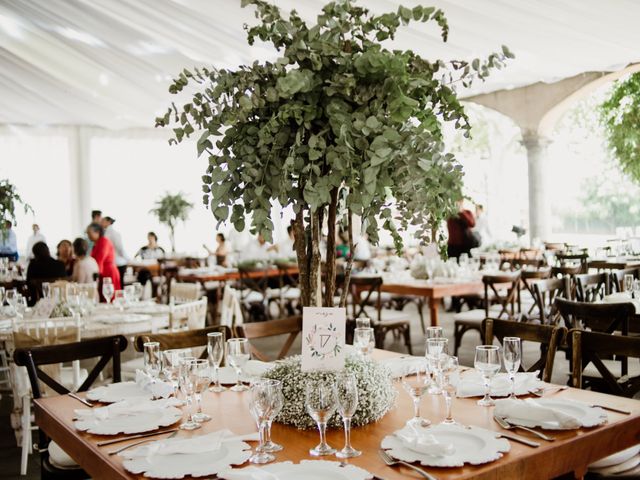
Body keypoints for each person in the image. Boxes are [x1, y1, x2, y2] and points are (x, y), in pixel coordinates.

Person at [87, 223, 121, 299]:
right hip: (102, 272)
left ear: (97, 232)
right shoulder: (96, 243)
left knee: (109, 297)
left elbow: (100, 259)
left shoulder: (104, 241)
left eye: (89, 233)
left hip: (108, 273)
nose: (88, 236)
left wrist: (95, 276)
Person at [102, 217, 128, 286]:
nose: (101, 222)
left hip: (118, 263)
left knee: (118, 285)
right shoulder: (105, 233)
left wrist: (128, 259)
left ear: (108, 222)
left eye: (103, 221)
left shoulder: (114, 233)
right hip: (114, 263)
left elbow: (120, 248)